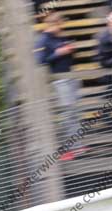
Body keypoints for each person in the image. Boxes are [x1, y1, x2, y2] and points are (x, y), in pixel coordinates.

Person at [36, 13, 85, 161]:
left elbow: (70, 57)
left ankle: (78, 146)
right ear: (53, 24)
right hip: (60, 81)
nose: (61, 27)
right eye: (59, 25)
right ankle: (65, 150)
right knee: (67, 114)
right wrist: (58, 53)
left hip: (70, 77)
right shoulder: (43, 39)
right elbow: (40, 60)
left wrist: (71, 49)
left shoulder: (61, 37)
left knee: (74, 113)